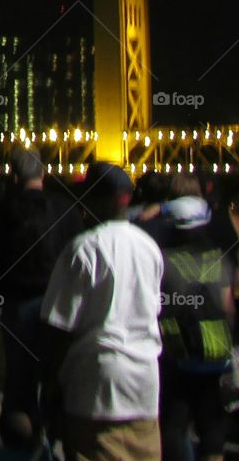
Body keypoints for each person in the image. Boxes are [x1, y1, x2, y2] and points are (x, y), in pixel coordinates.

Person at [40, 162, 163, 461]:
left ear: (97, 200)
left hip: (95, 386)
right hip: (144, 384)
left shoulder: (84, 248)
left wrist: (49, 386)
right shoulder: (149, 247)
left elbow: (59, 328)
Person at [0, 147, 81, 449]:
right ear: (43, 173)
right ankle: (57, 437)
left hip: (17, 302)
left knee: (19, 376)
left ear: (13, 176)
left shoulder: (0, 211)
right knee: (56, 373)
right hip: (59, 303)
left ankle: (22, 442)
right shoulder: (66, 209)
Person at [156, 174, 234, 461]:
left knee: (174, 423)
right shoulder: (217, 257)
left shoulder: (164, 260)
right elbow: (227, 306)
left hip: (179, 352)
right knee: (211, 419)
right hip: (215, 351)